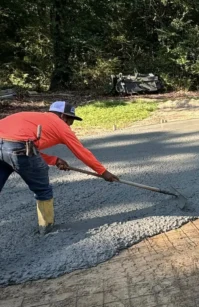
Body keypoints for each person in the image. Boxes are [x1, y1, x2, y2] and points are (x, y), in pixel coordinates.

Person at [0, 101, 119, 235]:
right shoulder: (60, 125)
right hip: (19, 148)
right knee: (42, 189)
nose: (69, 125)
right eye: (70, 120)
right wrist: (103, 172)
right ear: (62, 116)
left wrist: (54, 160)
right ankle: (46, 228)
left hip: (7, 145)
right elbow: (81, 152)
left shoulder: (34, 118)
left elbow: (24, 147)